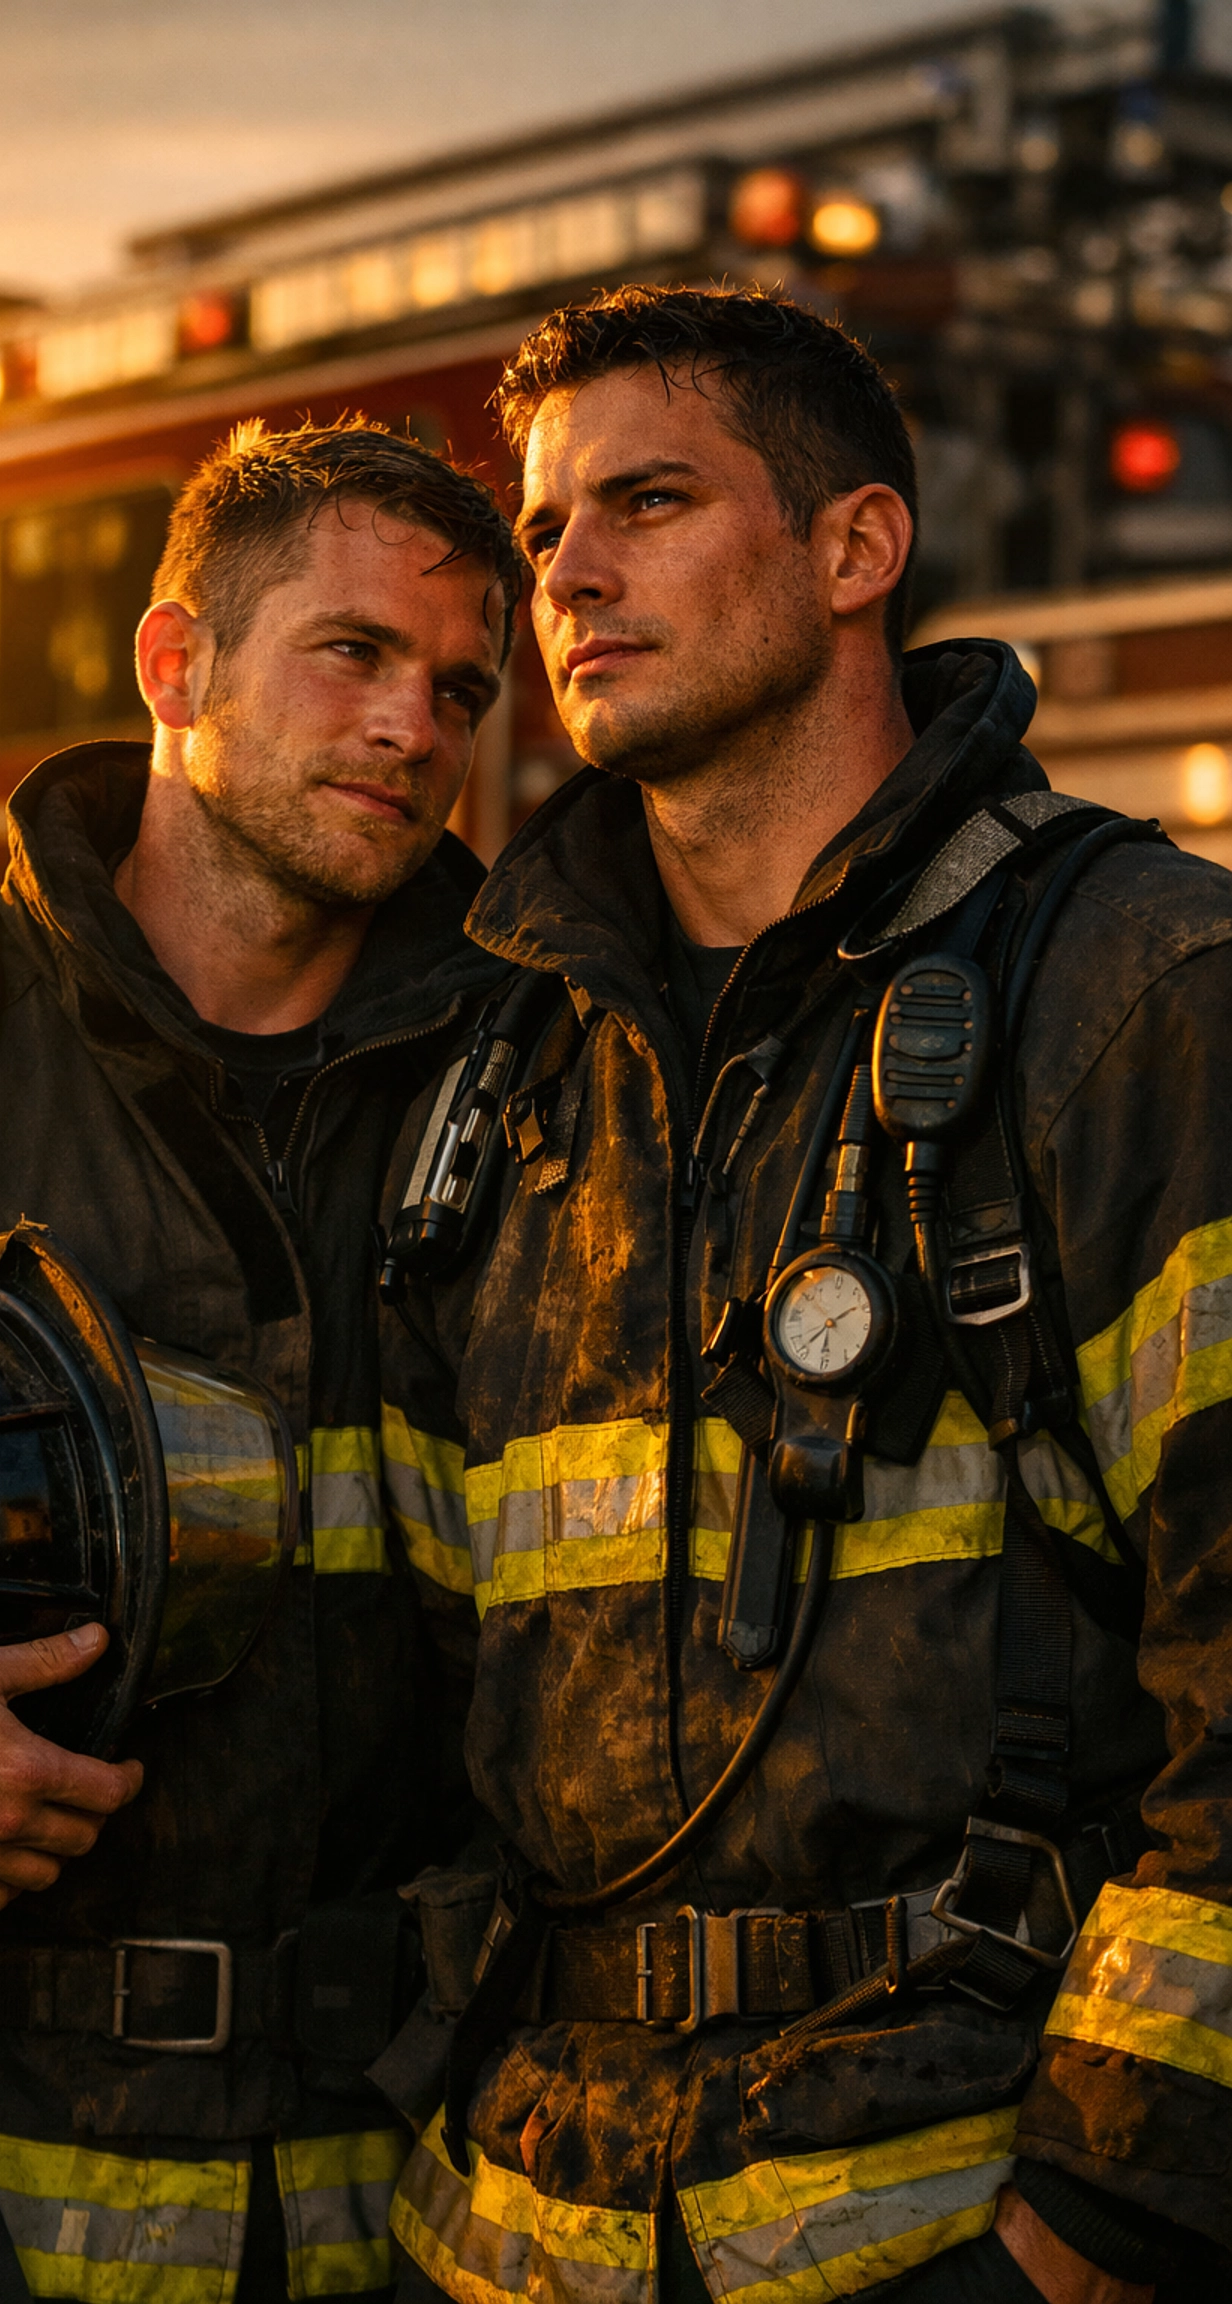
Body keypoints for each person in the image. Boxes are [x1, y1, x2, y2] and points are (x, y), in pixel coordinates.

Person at [378, 288, 1232, 2304]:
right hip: (519, 2229)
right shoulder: (497, 1069)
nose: (568, 574)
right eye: (543, 532)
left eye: (648, 502)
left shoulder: (1130, 992)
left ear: (855, 551)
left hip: (959, 2207)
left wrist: (1094, 2227)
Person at [0, 416, 519, 2301]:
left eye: (461, 686)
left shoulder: (541, 1094)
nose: (416, 728)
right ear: (176, 665)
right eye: (354, 654)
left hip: (366, 2227)